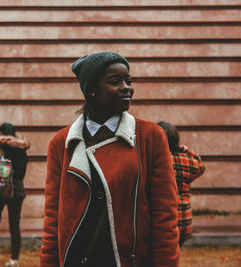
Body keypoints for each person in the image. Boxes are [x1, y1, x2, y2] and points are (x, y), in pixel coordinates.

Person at [40, 52, 180, 267]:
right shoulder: (62, 143)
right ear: (92, 91)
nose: (127, 87)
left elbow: (165, 216)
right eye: (115, 82)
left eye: (129, 81)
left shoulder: (150, 136)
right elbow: (53, 220)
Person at [0, 122, 29, 267]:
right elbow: (22, 171)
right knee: (14, 224)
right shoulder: (21, 148)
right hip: (17, 190)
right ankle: (14, 260)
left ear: (1, 133)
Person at [157, 121, 205, 247]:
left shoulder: (159, 160)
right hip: (184, 221)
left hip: (166, 221)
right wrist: (188, 151)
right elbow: (201, 166)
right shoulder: (187, 161)